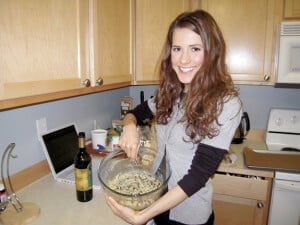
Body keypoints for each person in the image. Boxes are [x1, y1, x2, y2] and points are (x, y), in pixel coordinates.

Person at [105, 9, 242, 225]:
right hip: (155, 199)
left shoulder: (225, 104)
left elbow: (198, 175)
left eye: (195, 49)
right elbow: (135, 113)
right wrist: (129, 126)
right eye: (177, 49)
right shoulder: (171, 91)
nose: (183, 59)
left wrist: (143, 215)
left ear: (212, 52)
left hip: (188, 214)